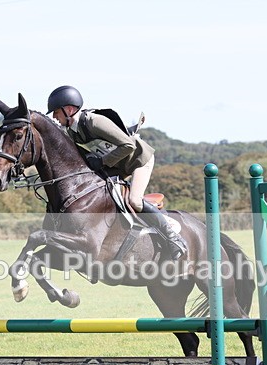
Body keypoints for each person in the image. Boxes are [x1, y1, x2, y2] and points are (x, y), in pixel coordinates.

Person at [46, 85, 187, 260]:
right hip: (119, 165)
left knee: (134, 200)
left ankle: (173, 237)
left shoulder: (93, 121)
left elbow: (128, 145)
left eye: (56, 112)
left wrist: (102, 162)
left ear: (69, 109)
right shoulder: (72, 131)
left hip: (138, 160)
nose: (54, 117)